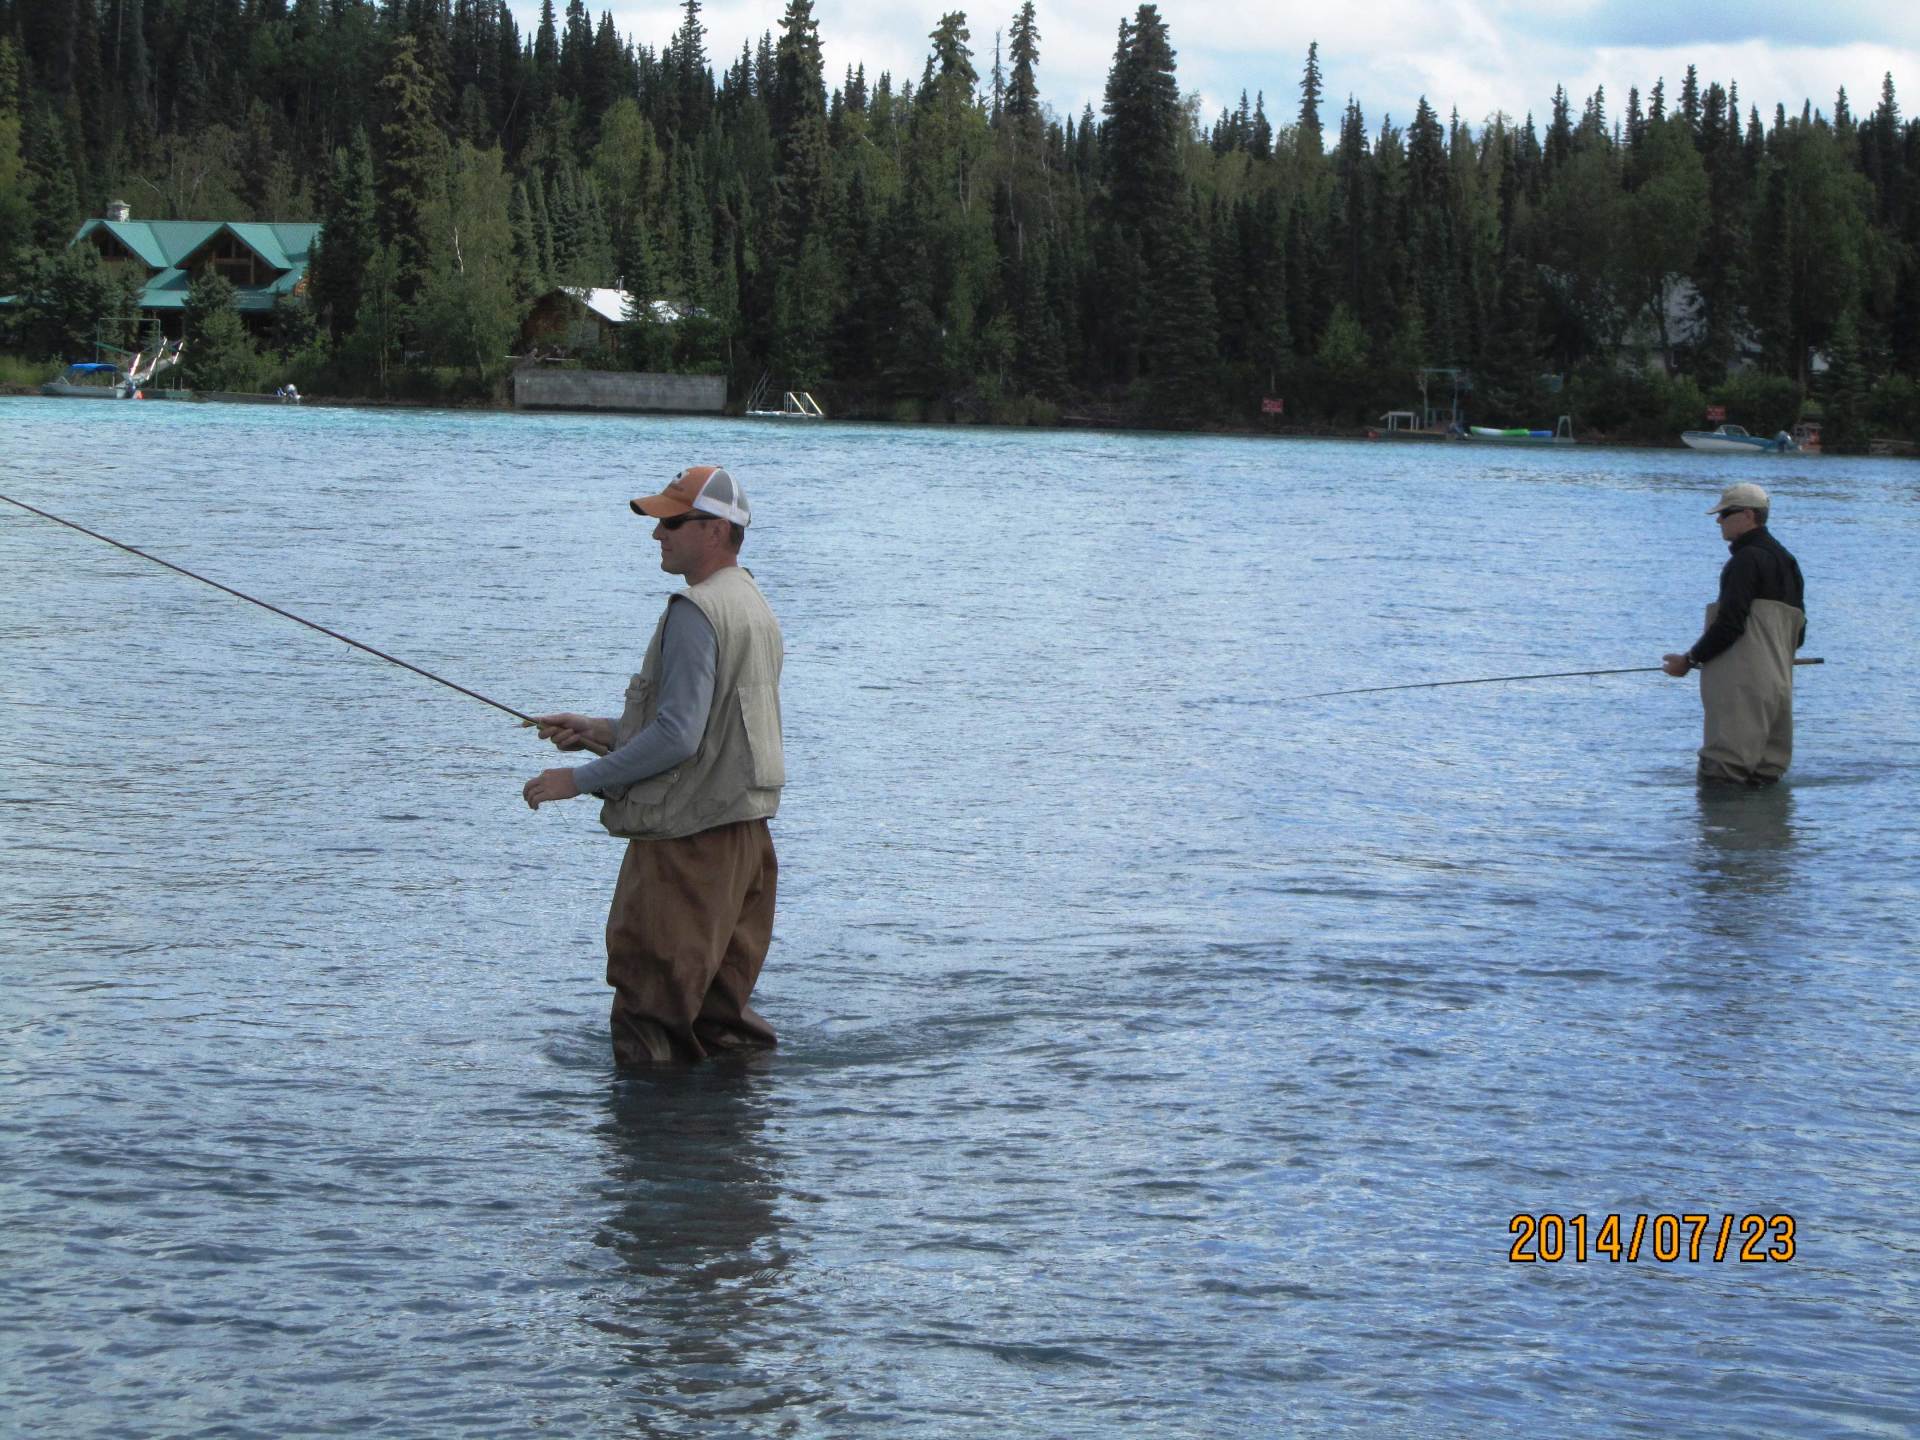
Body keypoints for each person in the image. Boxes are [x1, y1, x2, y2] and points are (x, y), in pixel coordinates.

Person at [523, 464, 786, 1065]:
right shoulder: (752, 605)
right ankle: (736, 1125)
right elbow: (711, 730)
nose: (657, 534)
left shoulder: (695, 610)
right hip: (744, 842)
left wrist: (577, 780)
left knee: (650, 1017)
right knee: (720, 1021)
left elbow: (678, 737)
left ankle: (652, 1132)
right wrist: (603, 733)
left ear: (715, 530)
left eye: (671, 522)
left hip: (685, 850)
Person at [1663, 481, 1806, 785]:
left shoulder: (1745, 560)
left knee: (1722, 773)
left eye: (1725, 513)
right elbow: (1800, 633)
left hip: (1742, 687)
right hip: (1779, 686)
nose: (1719, 520)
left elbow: (1730, 624)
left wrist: (1689, 660)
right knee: (1766, 774)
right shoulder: (1787, 561)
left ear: (1748, 515)